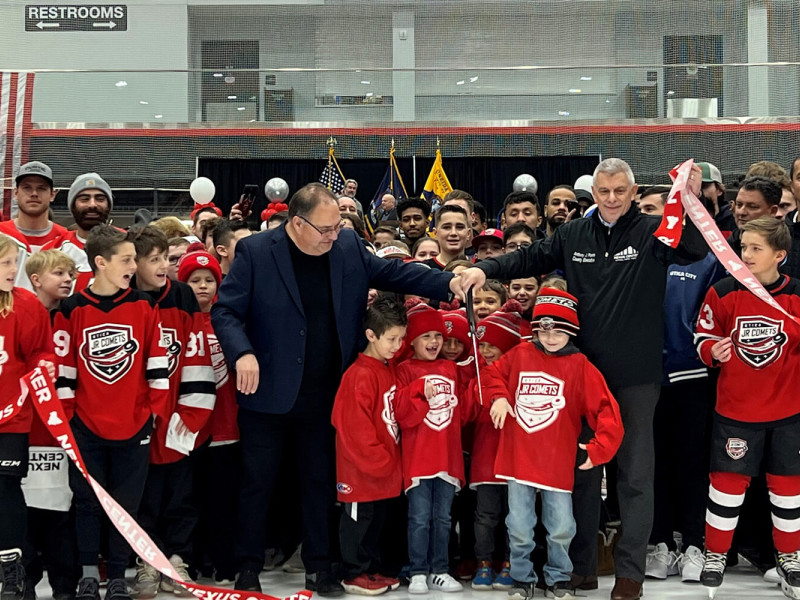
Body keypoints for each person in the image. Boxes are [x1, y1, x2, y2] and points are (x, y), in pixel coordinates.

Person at [456, 158, 707, 600]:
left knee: (633, 475)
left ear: (632, 193)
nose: (611, 199)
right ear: (595, 193)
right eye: (604, 191)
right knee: (581, 475)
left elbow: (693, 249)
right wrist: (484, 270)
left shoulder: (653, 231)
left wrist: (689, 199)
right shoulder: (573, 234)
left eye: (620, 192)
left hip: (636, 377)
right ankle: (582, 568)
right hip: (579, 373)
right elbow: (529, 256)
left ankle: (630, 573)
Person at [210, 183, 459, 597]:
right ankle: (249, 565)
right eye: (325, 229)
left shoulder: (346, 246)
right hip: (267, 389)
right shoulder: (256, 251)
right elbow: (226, 311)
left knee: (321, 483)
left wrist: (447, 282)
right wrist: (242, 353)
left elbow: (395, 272)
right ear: (296, 223)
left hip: (327, 391)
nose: (333, 235)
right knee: (257, 483)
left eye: (337, 228)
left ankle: (320, 567)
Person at [53, 226, 170, 600]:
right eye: (127, 259)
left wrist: (154, 412)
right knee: (87, 501)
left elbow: (157, 364)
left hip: (135, 424)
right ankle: (89, 572)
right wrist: (70, 419)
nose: (134, 266)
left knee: (126, 505)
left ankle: (119, 574)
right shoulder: (72, 309)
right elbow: (65, 371)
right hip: (85, 426)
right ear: (100, 263)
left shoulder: (143, 305)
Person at [486, 289, 624, 600]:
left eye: (559, 331)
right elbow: (491, 374)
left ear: (571, 332)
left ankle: (559, 577)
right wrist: (499, 397)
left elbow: (606, 409)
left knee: (562, 526)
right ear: (535, 329)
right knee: (519, 526)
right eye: (544, 330)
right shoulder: (519, 355)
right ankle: (522, 577)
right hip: (518, 460)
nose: (550, 338)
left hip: (557, 462)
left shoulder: (579, 365)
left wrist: (600, 449)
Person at [694, 217, 800, 597]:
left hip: (788, 414)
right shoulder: (723, 291)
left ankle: (790, 555)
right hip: (735, 412)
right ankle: (716, 554)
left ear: (780, 255)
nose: (746, 255)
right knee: (725, 488)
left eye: (756, 248)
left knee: (788, 489)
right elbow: (702, 335)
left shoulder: (797, 296)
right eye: (743, 247)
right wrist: (711, 349)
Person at [128, 227, 215, 597]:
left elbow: (196, 356)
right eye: (155, 259)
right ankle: (147, 559)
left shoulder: (181, 295)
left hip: (177, 416)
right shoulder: (123, 298)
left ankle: (178, 557)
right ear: (133, 265)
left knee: (181, 493)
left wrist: (189, 414)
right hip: (135, 421)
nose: (165, 266)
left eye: (168, 258)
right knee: (142, 495)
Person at [332, 296, 407, 596]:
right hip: (360, 473)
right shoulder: (359, 374)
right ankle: (353, 573)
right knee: (357, 524)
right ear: (371, 335)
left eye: (401, 338)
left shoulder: (387, 368)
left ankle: (369, 570)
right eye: (391, 339)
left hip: (383, 473)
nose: (397, 346)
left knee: (375, 523)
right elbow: (353, 428)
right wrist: (381, 462)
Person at [394, 302, 470, 595]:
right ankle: (417, 571)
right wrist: (418, 392)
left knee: (443, 519)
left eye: (437, 336)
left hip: (448, 459)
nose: (435, 342)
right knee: (418, 519)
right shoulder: (404, 370)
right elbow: (403, 415)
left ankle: (440, 568)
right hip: (418, 460)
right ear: (411, 339)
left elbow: (461, 413)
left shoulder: (450, 368)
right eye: (426, 336)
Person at [177, 250, 240, 585]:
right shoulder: (178, 320)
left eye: (209, 280)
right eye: (194, 280)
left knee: (223, 499)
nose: (202, 286)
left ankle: (223, 560)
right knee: (191, 499)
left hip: (226, 427)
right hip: (189, 430)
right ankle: (193, 558)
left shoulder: (228, 320)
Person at [0, 235, 56, 600]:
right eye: (5, 263)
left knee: (5, 488)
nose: (13, 269)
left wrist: (29, 384)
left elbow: (41, 356)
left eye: (14, 262)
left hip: (12, 418)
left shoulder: (27, 306)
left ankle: (13, 570)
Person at [470, 309, 525, 592]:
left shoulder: (521, 375)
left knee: (514, 518)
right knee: (486, 517)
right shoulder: (478, 376)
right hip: (485, 462)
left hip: (514, 461)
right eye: (482, 345)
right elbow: (467, 415)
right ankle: (483, 563)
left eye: (493, 344)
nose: (486, 350)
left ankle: (509, 563)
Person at [0, 161, 67, 292]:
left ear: (52, 195)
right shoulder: (1, 234)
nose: (34, 193)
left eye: (41, 188)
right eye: (27, 187)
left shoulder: (65, 240)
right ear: (15, 193)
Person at [42, 173, 114, 292]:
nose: (92, 204)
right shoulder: (52, 251)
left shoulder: (128, 244)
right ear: (73, 206)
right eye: (84, 199)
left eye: (100, 199)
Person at [728, 176, 781, 256]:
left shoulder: (790, 246)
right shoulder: (725, 247)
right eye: (739, 205)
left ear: (773, 211)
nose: (742, 212)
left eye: (752, 206)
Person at [426, 205, 471, 270]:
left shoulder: (480, 268)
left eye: (459, 227)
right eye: (446, 227)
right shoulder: (424, 270)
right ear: (435, 233)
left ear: (468, 233)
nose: (453, 233)